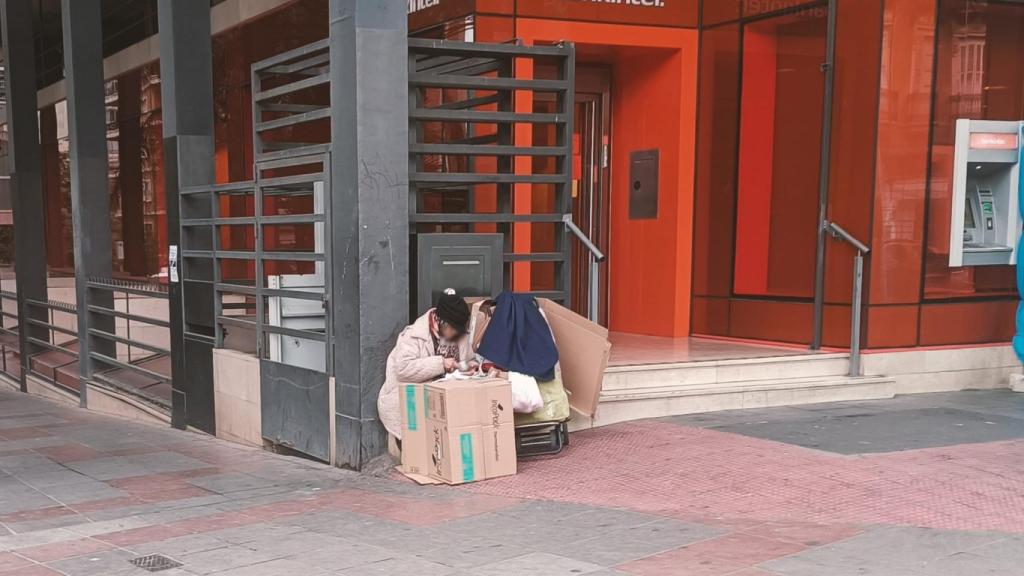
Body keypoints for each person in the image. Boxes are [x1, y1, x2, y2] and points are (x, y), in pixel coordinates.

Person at [377, 289, 475, 451]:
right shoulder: (413, 336)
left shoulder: (458, 334)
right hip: (411, 399)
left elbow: (469, 359)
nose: (456, 333)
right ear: (441, 321)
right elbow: (403, 369)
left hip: (443, 398)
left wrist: (470, 367)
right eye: (453, 328)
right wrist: (441, 364)